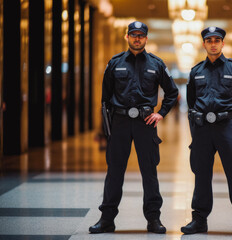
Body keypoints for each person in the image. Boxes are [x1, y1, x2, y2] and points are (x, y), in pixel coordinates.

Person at [89, 21, 179, 234]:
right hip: (119, 123)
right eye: (133, 35)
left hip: (145, 123)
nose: (137, 38)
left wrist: (161, 113)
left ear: (146, 39)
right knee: (114, 172)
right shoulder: (114, 63)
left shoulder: (156, 64)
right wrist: (106, 130)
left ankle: (153, 220)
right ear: (127, 37)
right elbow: (105, 100)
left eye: (141, 35)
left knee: (149, 172)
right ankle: (107, 219)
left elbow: (172, 92)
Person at [182, 26, 232, 237]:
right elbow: (191, 100)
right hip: (202, 129)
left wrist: (228, 114)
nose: (213, 43)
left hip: (225, 127)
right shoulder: (196, 71)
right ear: (204, 44)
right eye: (209, 40)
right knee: (201, 173)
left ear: (223, 44)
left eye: (217, 40)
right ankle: (199, 220)